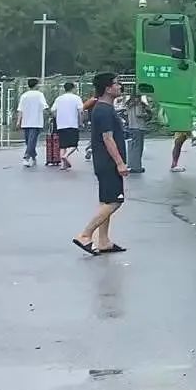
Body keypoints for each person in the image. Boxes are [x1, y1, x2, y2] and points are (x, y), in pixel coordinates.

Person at [72, 74, 129, 256]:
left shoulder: (104, 108)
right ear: (107, 88)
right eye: (116, 84)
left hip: (104, 161)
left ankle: (104, 241)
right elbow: (107, 138)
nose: (120, 86)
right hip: (108, 162)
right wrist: (120, 163)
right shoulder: (103, 110)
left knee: (106, 201)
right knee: (115, 202)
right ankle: (85, 234)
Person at [50, 82, 84, 170]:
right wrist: (81, 121)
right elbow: (80, 111)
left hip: (61, 124)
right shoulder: (76, 98)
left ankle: (63, 164)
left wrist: (57, 117)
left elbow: (53, 110)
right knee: (74, 144)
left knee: (63, 145)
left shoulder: (59, 98)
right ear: (73, 88)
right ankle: (66, 156)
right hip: (72, 124)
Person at [17, 78, 49, 167]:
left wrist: (18, 121)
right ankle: (33, 155)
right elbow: (44, 106)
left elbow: (20, 110)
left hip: (26, 121)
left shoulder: (24, 95)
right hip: (36, 121)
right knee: (31, 141)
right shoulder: (40, 95)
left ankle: (27, 157)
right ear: (36, 85)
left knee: (29, 141)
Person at [122, 87, 154, 174]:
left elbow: (126, 114)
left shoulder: (129, 103)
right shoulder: (138, 103)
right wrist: (147, 113)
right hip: (139, 127)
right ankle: (136, 167)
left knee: (133, 147)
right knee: (138, 148)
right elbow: (139, 114)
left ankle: (132, 164)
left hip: (132, 126)